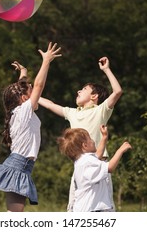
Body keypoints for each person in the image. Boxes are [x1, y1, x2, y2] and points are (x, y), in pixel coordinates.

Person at [0, 42, 62, 212]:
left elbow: (23, 90)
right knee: (14, 215)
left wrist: (23, 73)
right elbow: (38, 85)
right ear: (23, 98)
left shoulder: (18, 111)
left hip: (20, 166)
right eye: (30, 92)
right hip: (18, 167)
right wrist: (46, 61)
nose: (36, 95)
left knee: (15, 214)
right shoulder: (23, 111)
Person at [38, 56, 122, 211]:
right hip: (80, 169)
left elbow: (117, 92)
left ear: (94, 96)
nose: (78, 90)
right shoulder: (72, 113)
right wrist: (32, 94)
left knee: (103, 210)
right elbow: (49, 105)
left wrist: (106, 70)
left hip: (99, 167)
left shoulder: (100, 111)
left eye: (84, 89)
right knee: (74, 208)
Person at [57, 125, 132, 212]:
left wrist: (104, 137)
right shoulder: (88, 162)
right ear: (85, 145)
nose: (93, 141)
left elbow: (97, 155)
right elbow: (110, 167)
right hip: (91, 210)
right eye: (90, 139)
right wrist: (120, 150)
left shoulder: (82, 161)